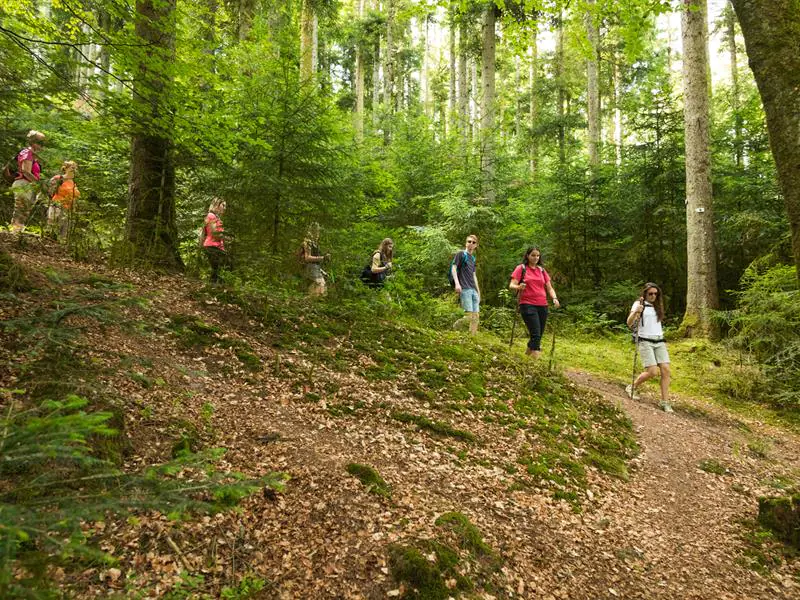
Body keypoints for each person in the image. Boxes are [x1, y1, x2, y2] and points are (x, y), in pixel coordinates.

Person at [626, 282, 673, 413]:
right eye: (650, 293)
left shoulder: (658, 306)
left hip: (659, 340)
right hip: (645, 340)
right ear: (645, 293)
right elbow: (629, 323)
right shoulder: (639, 304)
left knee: (666, 370)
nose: (653, 296)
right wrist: (636, 311)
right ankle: (632, 386)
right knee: (652, 371)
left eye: (656, 294)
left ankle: (665, 401)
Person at [508, 247, 560, 358]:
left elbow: (549, 288)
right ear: (527, 256)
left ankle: (526, 358)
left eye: (537, 255)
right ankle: (535, 364)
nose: (536, 258)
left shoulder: (541, 270)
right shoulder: (521, 268)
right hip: (527, 304)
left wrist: (554, 298)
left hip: (543, 305)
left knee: (537, 335)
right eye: (533, 255)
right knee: (536, 335)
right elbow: (512, 285)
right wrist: (519, 286)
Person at [10, 130, 46, 233]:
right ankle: (15, 232)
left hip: (28, 185)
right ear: (33, 142)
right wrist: (39, 184)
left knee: (25, 211)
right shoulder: (27, 152)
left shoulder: (33, 155)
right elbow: (26, 171)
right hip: (23, 184)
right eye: (40, 142)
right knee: (21, 209)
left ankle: (18, 233)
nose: (42, 146)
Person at [452, 234, 481, 335]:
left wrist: (478, 291)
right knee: (469, 315)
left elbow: (474, 275)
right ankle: (455, 327)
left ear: (476, 245)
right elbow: (454, 268)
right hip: (465, 288)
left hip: (473, 289)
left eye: (473, 242)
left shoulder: (472, 258)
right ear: (466, 243)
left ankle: (472, 337)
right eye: (469, 241)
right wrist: (457, 284)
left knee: (476, 316)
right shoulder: (461, 254)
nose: (471, 244)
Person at [47, 161, 80, 240]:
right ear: (66, 168)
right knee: (53, 225)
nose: (74, 169)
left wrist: (74, 208)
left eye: (75, 168)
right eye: (72, 167)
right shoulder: (58, 178)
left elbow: (74, 196)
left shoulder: (72, 182)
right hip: (57, 205)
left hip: (67, 209)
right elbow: (49, 190)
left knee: (64, 230)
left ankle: (60, 245)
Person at [202, 197, 228, 284]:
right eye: (223, 205)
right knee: (217, 270)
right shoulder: (211, 216)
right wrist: (224, 237)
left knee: (219, 271)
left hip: (217, 247)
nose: (224, 208)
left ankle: (215, 290)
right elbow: (214, 233)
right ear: (216, 205)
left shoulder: (216, 217)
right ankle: (212, 290)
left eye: (225, 206)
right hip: (212, 246)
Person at [301, 222, 329, 296]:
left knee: (319, 292)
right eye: (316, 231)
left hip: (315, 269)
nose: (317, 233)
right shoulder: (307, 242)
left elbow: (316, 262)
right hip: (310, 269)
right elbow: (307, 258)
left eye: (318, 231)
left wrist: (322, 271)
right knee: (321, 288)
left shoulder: (314, 243)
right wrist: (323, 258)